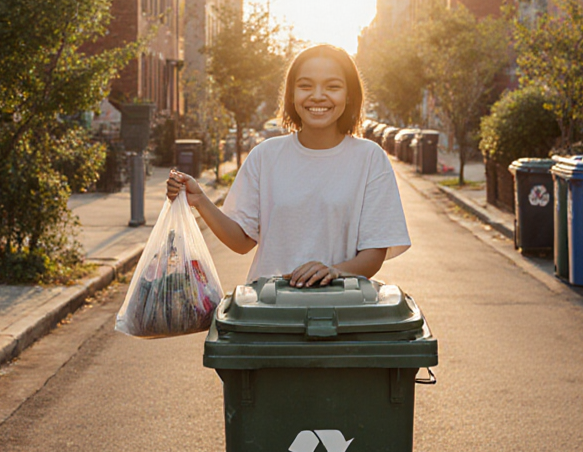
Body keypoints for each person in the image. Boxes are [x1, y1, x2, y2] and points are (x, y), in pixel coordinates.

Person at [166, 44, 410, 288]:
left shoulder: (370, 158)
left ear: (349, 95)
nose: (317, 95)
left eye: (332, 86)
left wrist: (334, 271)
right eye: (305, 86)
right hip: (270, 310)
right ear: (292, 95)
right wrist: (199, 200)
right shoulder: (266, 155)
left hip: (341, 312)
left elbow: (374, 254)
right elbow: (241, 242)